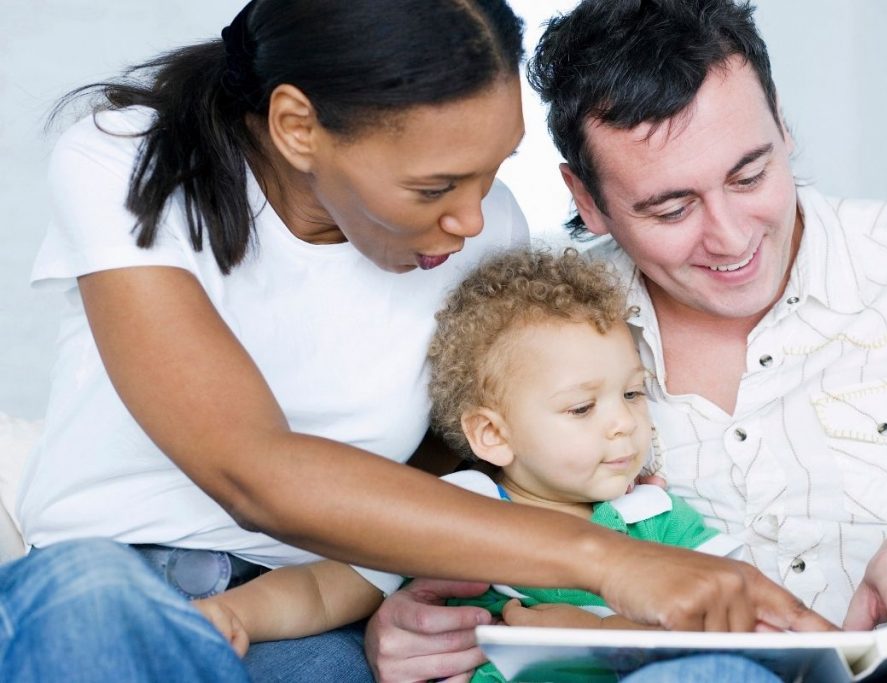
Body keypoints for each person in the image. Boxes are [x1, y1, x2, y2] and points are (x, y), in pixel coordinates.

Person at [2, 0, 831, 681]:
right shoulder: (129, 162)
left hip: (311, 615)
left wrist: (425, 595)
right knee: (90, 599)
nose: (471, 218)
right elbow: (252, 469)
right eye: (434, 187)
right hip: (106, 584)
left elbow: (460, 459)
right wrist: (610, 560)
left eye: (494, 170)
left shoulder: (487, 229)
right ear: (297, 126)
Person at [367, 0, 887, 681]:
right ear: (586, 198)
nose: (732, 238)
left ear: (782, 125)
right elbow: (466, 515)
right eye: (672, 208)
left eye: (750, 176)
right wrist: (409, 620)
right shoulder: (543, 329)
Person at [192, 248, 746, 681]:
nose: (623, 423)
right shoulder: (453, 513)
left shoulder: (656, 518)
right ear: (492, 435)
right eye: (582, 407)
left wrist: (600, 637)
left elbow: (735, 631)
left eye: (632, 394)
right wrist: (232, 615)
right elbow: (322, 588)